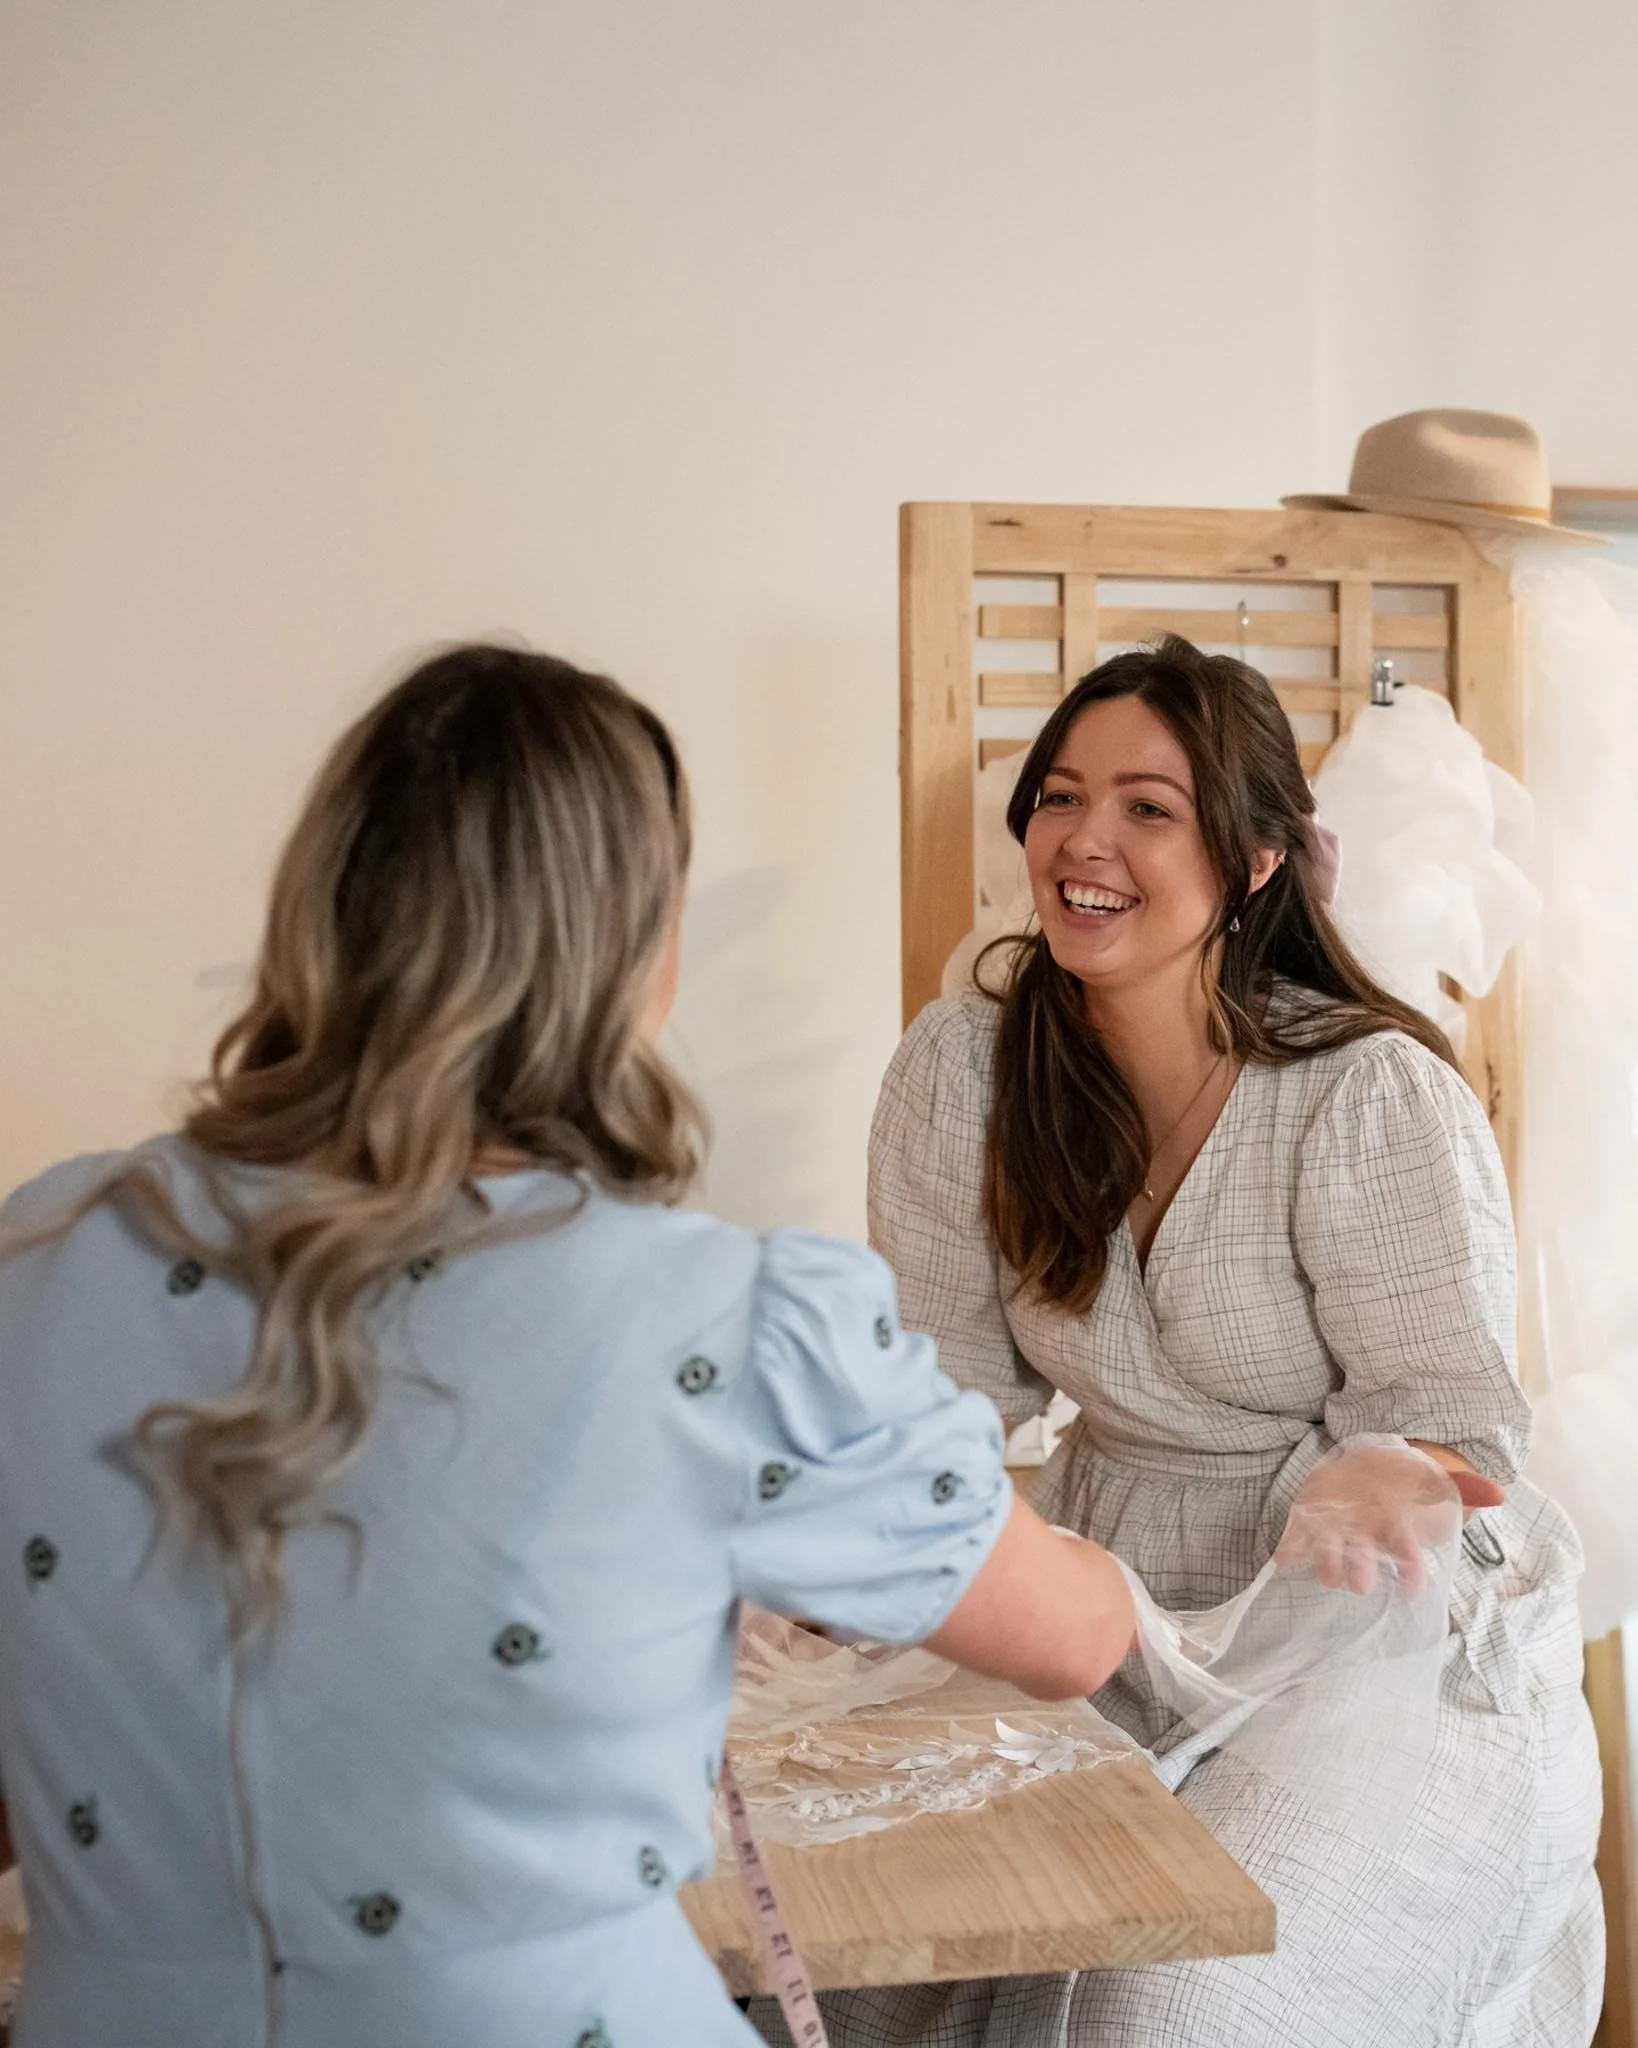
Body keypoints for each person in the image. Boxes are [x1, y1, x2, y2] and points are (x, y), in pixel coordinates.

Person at [0, 645, 1139, 2048]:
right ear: (639, 961)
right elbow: (1073, 1638)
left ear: (320, 914)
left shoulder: (38, 1256)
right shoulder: (726, 1330)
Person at [783, 637, 1602, 2048]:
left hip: (1382, 1631)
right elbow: (940, 1396)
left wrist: (1380, 1465)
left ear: (1257, 861)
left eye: (1147, 809)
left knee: (1159, 2012)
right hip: (1115, 1595)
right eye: (1058, 796)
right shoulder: (961, 1066)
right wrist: (839, 1534)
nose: (1083, 840)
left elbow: (1459, 1432)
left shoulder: (1370, 1094)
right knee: (844, 1967)